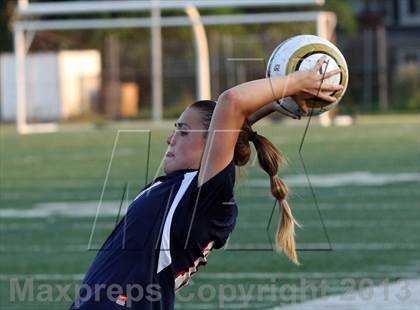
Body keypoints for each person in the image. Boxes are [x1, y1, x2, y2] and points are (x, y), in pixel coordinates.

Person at [70, 56, 342, 309]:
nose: (170, 139)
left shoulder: (208, 197)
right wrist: (275, 103)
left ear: (211, 143)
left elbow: (232, 102)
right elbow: (234, 121)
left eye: (183, 131)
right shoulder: (176, 186)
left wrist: (297, 81)